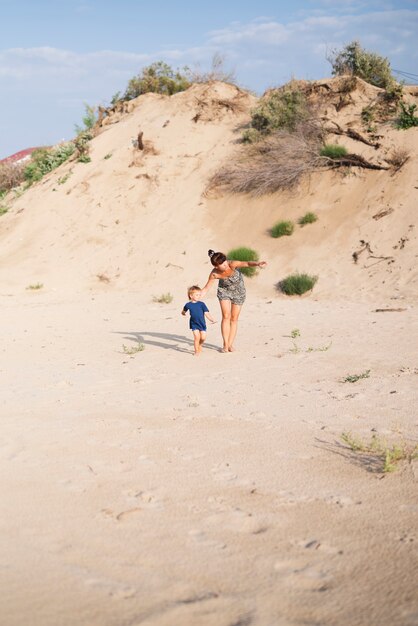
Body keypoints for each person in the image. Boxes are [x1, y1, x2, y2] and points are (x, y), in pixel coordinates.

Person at [200, 250, 267, 353]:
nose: (225, 264)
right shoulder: (214, 274)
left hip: (239, 292)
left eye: (225, 261)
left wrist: (258, 263)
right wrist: (197, 295)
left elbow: (247, 263)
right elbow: (206, 288)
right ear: (216, 266)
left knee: (234, 318)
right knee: (226, 316)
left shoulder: (232, 264)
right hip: (224, 292)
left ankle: (230, 344)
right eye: (222, 264)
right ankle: (225, 345)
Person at [182, 285, 216, 356]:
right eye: (197, 295)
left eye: (199, 295)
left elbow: (206, 313)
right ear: (191, 296)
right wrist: (183, 313)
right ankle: (196, 351)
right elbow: (184, 310)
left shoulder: (202, 304)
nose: (199, 296)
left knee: (203, 338)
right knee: (196, 337)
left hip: (202, 323)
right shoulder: (188, 305)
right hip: (194, 323)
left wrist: (211, 319)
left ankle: (200, 344)